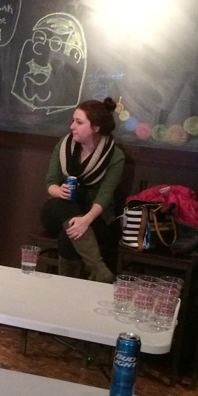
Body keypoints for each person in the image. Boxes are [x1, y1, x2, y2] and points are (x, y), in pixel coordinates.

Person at [40, 97, 125, 282]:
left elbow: (104, 197)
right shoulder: (64, 146)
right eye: (73, 121)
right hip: (60, 209)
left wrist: (85, 220)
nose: (72, 126)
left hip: (95, 216)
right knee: (65, 209)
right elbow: (50, 183)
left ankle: (65, 286)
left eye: (79, 122)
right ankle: (98, 269)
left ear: (96, 127)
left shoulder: (114, 156)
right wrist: (59, 191)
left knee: (69, 234)